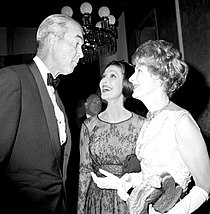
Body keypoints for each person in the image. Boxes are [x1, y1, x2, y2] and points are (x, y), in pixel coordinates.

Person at [91, 40, 210, 214]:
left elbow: (205, 186)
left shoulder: (181, 121)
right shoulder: (151, 119)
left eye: (139, 70)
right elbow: (154, 175)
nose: (131, 78)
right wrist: (127, 180)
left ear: (160, 77)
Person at [0, 14, 84, 214]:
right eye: (77, 44)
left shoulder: (58, 97)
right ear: (53, 40)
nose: (81, 54)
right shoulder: (13, 78)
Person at [77, 60, 145, 214]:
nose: (104, 81)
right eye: (103, 76)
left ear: (126, 83)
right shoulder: (89, 125)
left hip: (129, 200)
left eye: (112, 76)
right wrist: (80, 210)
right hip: (96, 201)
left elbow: (151, 171)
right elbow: (84, 171)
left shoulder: (142, 124)